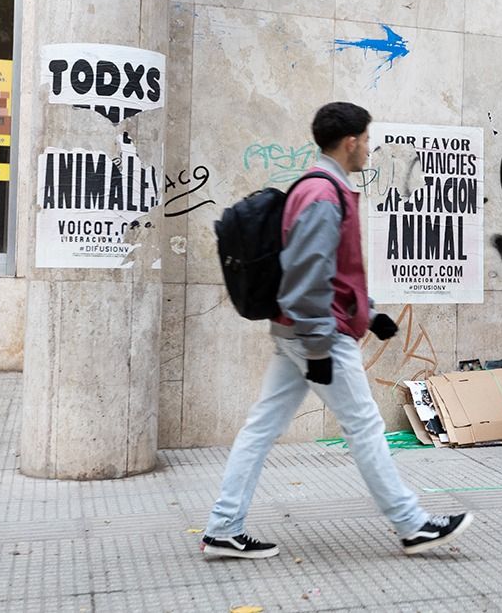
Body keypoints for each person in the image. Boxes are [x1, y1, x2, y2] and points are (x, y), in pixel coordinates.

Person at [201, 102, 472, 559]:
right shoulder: (325, 196)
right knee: (365, 426)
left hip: (296, 333)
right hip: (316, 335)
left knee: (261, 428)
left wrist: (368, 312)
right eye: (367, 139)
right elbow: (308, 277)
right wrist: (321, 345)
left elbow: (331, 273)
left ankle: (224, 527)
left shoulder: (314, 186)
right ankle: (411, 524)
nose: (369, 147)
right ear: (350, 142)